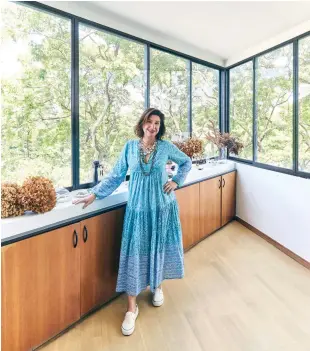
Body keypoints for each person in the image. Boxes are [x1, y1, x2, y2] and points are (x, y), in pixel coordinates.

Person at [73, 107, 192, 336]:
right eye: (149, 122)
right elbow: (116, 175)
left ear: (160, 127)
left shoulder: (166, 147)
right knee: (135, 254)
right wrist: (94, 194)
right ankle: (131, 307)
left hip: (162, 208)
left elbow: (185, 162)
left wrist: (176, 181)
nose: (153, 126)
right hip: (137, 210)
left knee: (158, 249)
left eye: (157, 123)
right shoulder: (129, 147)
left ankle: (157, 287)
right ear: (142, 123)